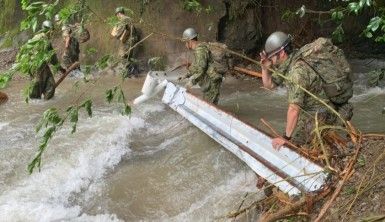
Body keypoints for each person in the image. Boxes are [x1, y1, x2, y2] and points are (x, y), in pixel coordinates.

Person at [260, 31, 353, 148]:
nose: (271, 60)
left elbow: (294, 109)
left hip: (321, 114)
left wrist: (286, 138)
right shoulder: (292, 60)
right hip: (319, 109)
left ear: (282, 53)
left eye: (272, 57)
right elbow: (270, 85)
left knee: (295, 144)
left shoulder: (297, 72)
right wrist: (265, 68)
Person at [182, 28, 223, 105]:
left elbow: (201, 70)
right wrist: (186, 75)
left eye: (185, 42)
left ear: (189, 41)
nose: (185, 45)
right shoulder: (199, 49)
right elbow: (196, 66)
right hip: (209, 82)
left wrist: (191, 82)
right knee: (208, 104)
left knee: (210, 107)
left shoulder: (200, 50)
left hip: (212, 82)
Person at [29, 21, 65, 100]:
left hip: (38, 65)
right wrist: (61, 69)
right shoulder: (44, 39)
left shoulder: (36, 37)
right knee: (38, 87)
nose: (52, 33)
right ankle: (39, 105)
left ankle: (45, 103)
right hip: (37, 66)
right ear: (47, 30)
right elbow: (53, 58)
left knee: (50, 84)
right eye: (51, 30)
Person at [111, 7, 139, 77]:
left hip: (129, 40)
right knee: (129, 56)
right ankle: (134, 71)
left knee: (122, 56)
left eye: (117, 15)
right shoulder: (129, 18)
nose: (117, 16)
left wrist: (115, 33)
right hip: (132, 39)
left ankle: (130, 70)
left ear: (119, 13)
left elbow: (119, 32)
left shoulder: (123, 19)